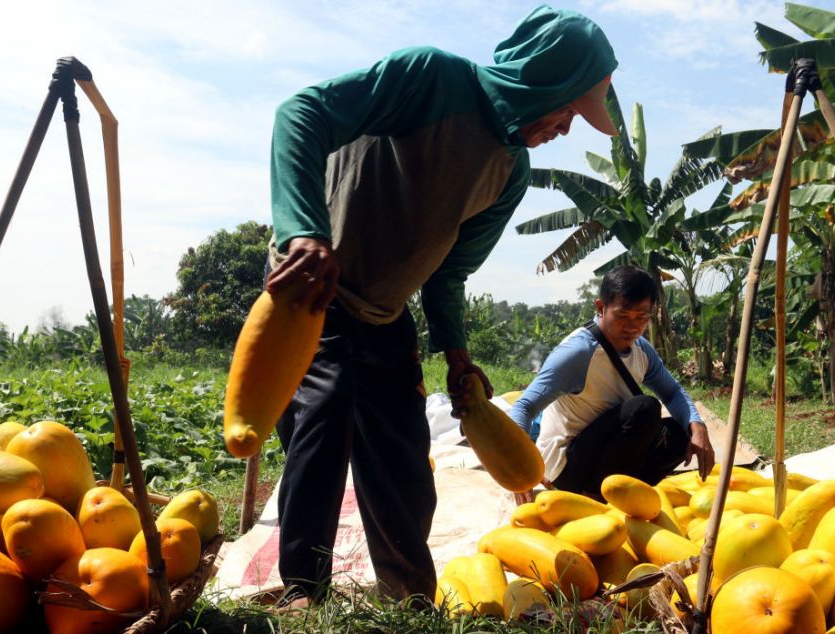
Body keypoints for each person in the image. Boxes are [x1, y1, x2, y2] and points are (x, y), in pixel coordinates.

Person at [263, 5, 619, 607]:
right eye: (568, 108)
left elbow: (448, 272)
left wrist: (457, 356)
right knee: (326, 415)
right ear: (542, 80)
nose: (566, 126)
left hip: (384, 313)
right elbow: (300, 115)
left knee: (403, 462)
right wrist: (304, 231)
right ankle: (304, 594)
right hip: (312, 291)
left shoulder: (511, 172)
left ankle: (407, 599)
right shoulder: (431, 79)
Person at [509, 266, 715, 503]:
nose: (633, 326)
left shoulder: (641, 350)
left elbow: (672, 392)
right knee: (645, 409)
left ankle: (622, 493)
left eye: (642, 318)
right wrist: (520, 472)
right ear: (600, 308)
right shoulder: (578, 353)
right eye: (623, 316)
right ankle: (595, 497)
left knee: (680, 435)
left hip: (606, 453)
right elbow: (524, 406)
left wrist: (698, 427)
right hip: (567, 466)